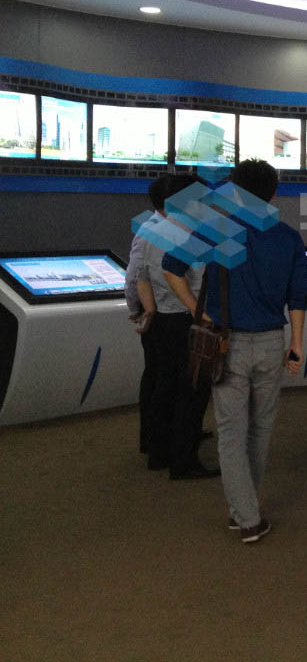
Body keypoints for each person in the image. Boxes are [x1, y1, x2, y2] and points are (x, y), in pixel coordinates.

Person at [164, 159, 307, 544]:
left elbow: (171, 267)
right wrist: (296, 344)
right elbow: (298, 297)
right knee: (261, 429)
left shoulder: (216, 229)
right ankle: (246, 509)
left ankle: (245, 516)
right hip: (271, 342)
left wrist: (196, 310)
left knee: (231, 431)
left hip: (225, 343)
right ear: (273, 194)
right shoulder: (289, 238)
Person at [141, 173, 218, 479]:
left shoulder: (153, 229)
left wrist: (148, 310)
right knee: (193, 391)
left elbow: (141, 275)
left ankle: (159, 452)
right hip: (188, 320)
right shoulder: (190, 234)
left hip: (163, 318)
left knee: (166, 387)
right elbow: (190, 280)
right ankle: (184, 461)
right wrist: (201, 314)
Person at [126, 174, 172, 455]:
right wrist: (137, 310)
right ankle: (154, 440)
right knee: (158, 375)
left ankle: (163, 435)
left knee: (160, 374)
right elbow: (134, 276)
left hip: (158, 310)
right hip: (157, 313)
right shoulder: (152, 231)